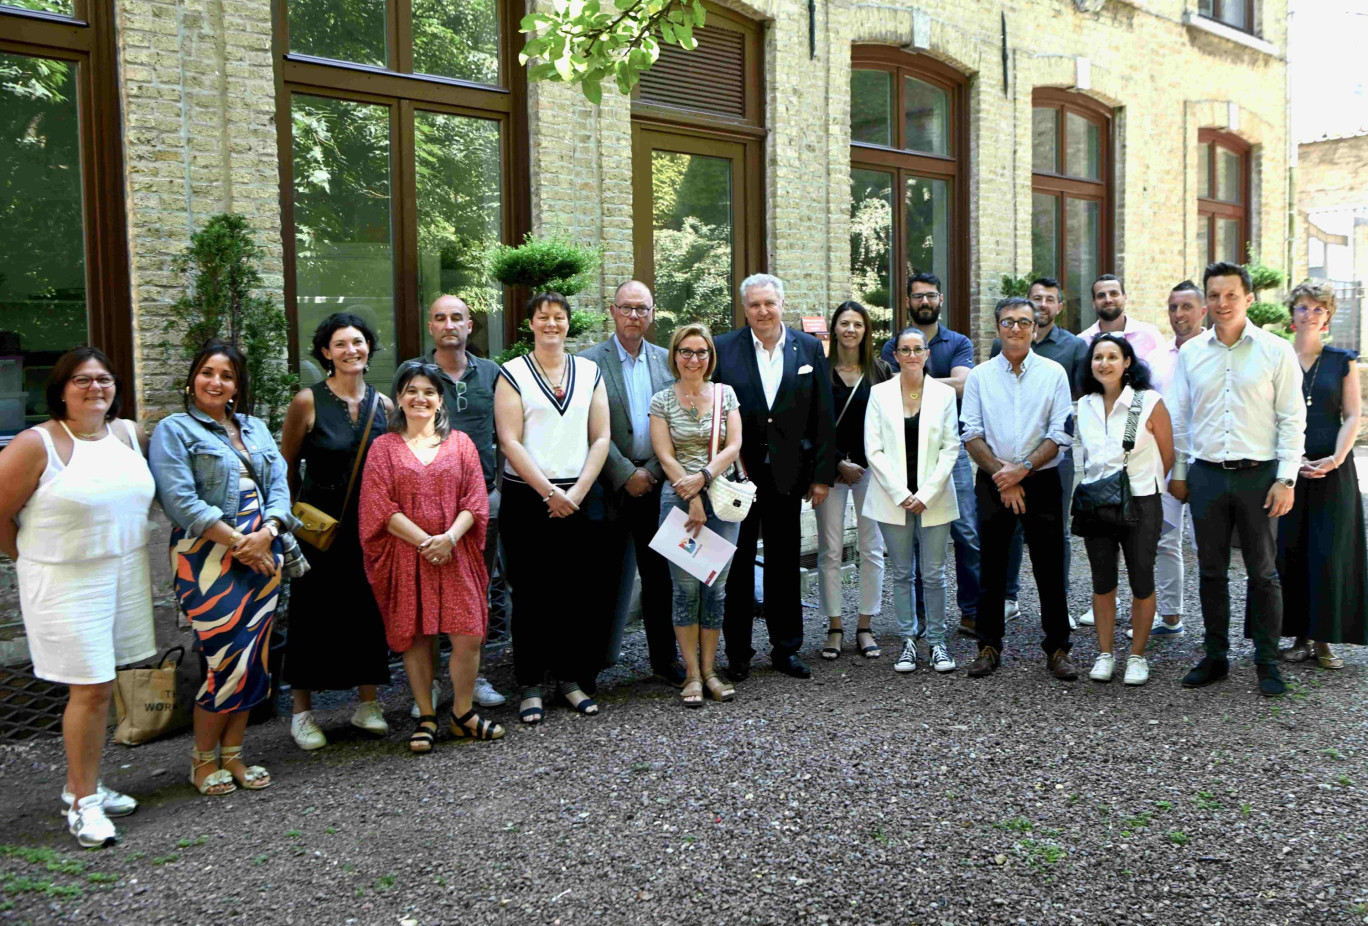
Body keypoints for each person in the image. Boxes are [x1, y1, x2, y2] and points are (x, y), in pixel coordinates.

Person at [0, 349, 154, 848]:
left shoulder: (129, 434)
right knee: (89, 688)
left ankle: (80, 785)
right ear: (61, 388)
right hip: (64, 580)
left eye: (103, 379)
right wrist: (30, 556)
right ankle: (84, 804)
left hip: (122, 571)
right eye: (82, 380)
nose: (94, 388)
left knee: (103, 686)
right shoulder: (35, 443)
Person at [150, 340, 299, 796]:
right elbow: (180, 501)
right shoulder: (173, 430)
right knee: (224, 659)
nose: (216, 382)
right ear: (193, 378)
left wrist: (267, 533)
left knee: (254, 658)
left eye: (227, 376)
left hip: (263, 550)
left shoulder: (253, 427)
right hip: (208, 559)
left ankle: (234, 755)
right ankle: (201, 760)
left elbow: (280, 486)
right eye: (208, 372)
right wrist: (240, 543)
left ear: (237, 386)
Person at [1168, 262, 1306, 698]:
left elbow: (1291, 418)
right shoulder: (1192, 353)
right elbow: (1181, 420)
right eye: (1214, 295)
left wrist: (1286, 479)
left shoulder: (1275, 351)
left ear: (1248, 298)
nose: (1222, 304)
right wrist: (1181, 473)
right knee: (1211, 571)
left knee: (1263, 573)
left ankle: (1266, 661)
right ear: (1206, 301)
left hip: (1259, 476)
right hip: (1207, 476)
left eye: (1231, 295)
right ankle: (1215, 656)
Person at [359, 364, 500, 752]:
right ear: (400, 399)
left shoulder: (462, 444)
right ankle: (425, 715)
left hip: (455, 553)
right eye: (411, 391)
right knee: (417, 638)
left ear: (441, 401)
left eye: (428, 392)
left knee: (468, 634)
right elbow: (378, 507)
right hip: (408, 557)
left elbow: (476, 498)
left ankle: (462, 713)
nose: (419, 398)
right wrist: (427, 542)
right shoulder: (383, 448)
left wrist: (449, 539)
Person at [495, 292, 612, 722]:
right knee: (530, 593)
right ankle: (529, 684)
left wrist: (578, 491)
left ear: (568, 323)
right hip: (530, 498)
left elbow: (600, 436)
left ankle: (570, 679)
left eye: (559, 317)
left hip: (582, 494)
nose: (551, 324)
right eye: (543, 317)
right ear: (531, 324)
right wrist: (549, 493)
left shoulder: (589, 371)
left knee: (576, 592)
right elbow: (509, 440)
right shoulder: (513, 373)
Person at [279, 314, 394, 751]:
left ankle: (367, 703)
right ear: (325, 351)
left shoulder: (383, 406)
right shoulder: (307, 401)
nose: (351, 350)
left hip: (368, 526)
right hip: (316, 529)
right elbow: (286, 465)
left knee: (367, 611)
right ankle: (302, 713)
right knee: (311, 614)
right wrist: (287, 524)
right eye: (340, 344)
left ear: (369, 348)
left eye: (359, 342)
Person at [714, 273, 836, 681]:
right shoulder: (723, 349)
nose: (762, 311)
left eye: (769, 303)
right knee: (738, 561)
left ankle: (786, 649)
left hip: (789, 474)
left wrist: (822, 476)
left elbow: (823, 415)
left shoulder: (808, 348)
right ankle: (738, 653)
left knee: (784, 563)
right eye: (754, 305)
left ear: (781, 304)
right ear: (744, 308)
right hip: (737, 477)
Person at [395, 295, 506, 716]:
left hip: (480, 504)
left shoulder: (491, 374)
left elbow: (507, 429)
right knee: (426, 596)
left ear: (470, 325)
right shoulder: (417, 375)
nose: (449, 325)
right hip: (424, 508)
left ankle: (471, 676)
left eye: (456, 318)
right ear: (430, 327)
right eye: (440, 318)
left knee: (476, 590)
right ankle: (431, 684)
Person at [961, 298, 1077, 680]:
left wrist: (1022, 470)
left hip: (1041, 479)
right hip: (993, 479)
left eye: (1024, 322)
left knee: (1049, 566)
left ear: (1035, 328)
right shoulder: (979, 376)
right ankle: (989, 646)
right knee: (992, 566)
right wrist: (1003, 476)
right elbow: (971, 434)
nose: (1016, 329)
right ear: (997, 328)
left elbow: (1061, 432)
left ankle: (1058, 648)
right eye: (1008, 322)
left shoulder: (1054, 373)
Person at [578, 281, 683, 685]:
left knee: (659, 577)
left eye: (642, 308)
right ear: (613, 310)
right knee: (601, 578)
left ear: (653, 313)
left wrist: (654, 471)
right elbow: (588, 428)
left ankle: (664, 660)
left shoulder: (665, 361)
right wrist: (624, 473)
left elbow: (676, 423)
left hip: (657, 483)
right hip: (610, 483)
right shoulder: (588, 362)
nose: (634, 316)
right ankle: (591, 665)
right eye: (627, 308)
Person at [1269, 281, 1366, 666]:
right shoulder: (1276, 355)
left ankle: (1325, 639)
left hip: (1332, 470)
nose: (1310, 315)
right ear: (1292, 314)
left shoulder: (1343, 360)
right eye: (1303, 308)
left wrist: (1336, 459)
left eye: (1318, 309)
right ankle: (1296, 636)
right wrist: (1288, 461)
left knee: (1329, 551)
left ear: (1327, 317)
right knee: (1288, 550)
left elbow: (1354, 414)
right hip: (1287, 467)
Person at [879, 273, 980, 636]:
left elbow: (964, 384)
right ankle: (919, 617)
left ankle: (971, 611)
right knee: (915, 534)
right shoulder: (892, 344)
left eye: (931, 296)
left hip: (950, 453)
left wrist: (917, 383)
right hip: (905, 457)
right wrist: (934, 387)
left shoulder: (958, 342)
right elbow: (888, 392)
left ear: (940, 300)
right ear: (907, 301)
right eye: (918, 296)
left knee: (966, 532)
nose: (925, 302)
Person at [649, 324, 744, 706]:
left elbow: (734, 445)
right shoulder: (662, 400)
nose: (693, 359)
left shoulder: (726, 394)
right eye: (686, 352)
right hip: (677, 502)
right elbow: (665, 455)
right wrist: (690, 495)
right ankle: (690, 674)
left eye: (701, 352)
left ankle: (710, 671)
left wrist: (704, 479)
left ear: (710, 356)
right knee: (686, 589)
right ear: (675, 356)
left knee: (716, 589)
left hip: (720, 500)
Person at [1074, 335, 1173, 686]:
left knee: (1141, 580)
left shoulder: (1148, 402)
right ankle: (1105, 653)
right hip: (1097, 502)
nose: (1104, 363)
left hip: (1141, 501)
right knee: (1102, 582)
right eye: (1098, 357)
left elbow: (1168, 454)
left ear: (1127, 361)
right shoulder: (1084, 405)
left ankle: (1137, 656)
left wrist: (1144, 483)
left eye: (1112, 356)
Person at [991, 277, 1089, 628]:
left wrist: (1032, 461)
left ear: (1058, 307)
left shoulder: (1074, 347)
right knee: (1011, 530)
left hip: (1051, 459)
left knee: (1055, 532)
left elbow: (1075, 405)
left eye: (1050, 299)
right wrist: (1010, 466)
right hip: (1006, 461)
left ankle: (1058, 604)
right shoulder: (1000, 346)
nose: (1043, 304)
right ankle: (1008, 597)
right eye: (1037, 298)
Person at [863, 328, 961, 674]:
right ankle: (907, 641)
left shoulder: (945, 394)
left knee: (934, 574)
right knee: (902, 572)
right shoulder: (878, 393)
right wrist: (902, 494)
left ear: (927, 353)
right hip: (893, 499)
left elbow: (952, 447)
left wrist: (927, 493)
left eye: (918, 349)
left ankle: (937, 642)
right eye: (904, 349)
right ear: (895, 355)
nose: (911, 355)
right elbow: (872, 449)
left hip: (935, 497)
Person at [1128, 281, 1207, 641]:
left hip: (1209, 460)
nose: (1179, 315)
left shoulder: (1215, 353)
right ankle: (1171, 616)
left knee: (1208, 545)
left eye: (1187, 307)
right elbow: (1137, 404)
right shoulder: (1157, 358)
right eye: (1173, 307)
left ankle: (1218, 632)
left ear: (1203, 310)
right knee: (1164, 538)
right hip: (1163, 460)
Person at [816, 301, 890, 661]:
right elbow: (810, 425)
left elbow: (890, 426)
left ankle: (864, 625)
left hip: (870, 471)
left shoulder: (880, 371)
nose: (850, 330)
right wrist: (836, 463)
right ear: (834, 329)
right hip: (829, 472)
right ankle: (834, 627)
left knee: (871, 548)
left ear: (866, 330)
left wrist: (865, 464)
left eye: (857, 324)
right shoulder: (819, 370)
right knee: (830, 550)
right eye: (844, 323)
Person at [1078, 274, 1166, 362]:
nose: (1108, 300)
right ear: (1093, 303)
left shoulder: (1150, 335)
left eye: (1114, 294)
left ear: (1125, 297)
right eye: (1101, 296)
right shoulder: (1082, 341)